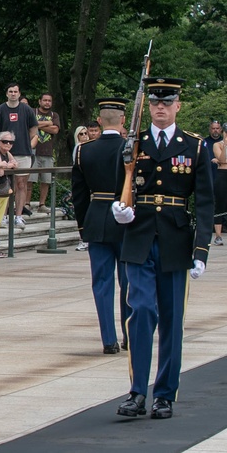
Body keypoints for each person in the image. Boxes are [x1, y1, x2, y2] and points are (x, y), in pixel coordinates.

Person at [113, 77, 213, 420]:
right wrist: (120, 211)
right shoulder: (134, 144)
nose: (160, 107)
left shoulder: (195, 146)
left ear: (177, 106)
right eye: (155, 101)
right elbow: (121, 189)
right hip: (139, 238)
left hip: (174, 240)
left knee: (172, 320)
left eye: (167, 102)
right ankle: (138, 390)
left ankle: (164, 394)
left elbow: (204, 203)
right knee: (141, 311)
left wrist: (201, 251)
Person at [71, 97, 131, 355]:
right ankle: (129, 333)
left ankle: (108, 339)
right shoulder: (132, 149)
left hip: (96, 220)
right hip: (126, 220)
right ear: (123, 120)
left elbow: (79, 195)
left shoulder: (84, 151)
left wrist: (83, 227)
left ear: (98, 120)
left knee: (102, 283)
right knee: (129, 282)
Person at [0, 83, 38, 226]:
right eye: (10, 91)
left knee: (21, 184)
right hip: (4, 153)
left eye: (15, 91)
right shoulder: (0, 110)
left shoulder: (27, 109)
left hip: (23, 152)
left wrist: (26, 142)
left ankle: (18, 215)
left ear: (19, 93)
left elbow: (34, 128)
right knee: (5, 184)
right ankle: (4, 215)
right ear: (7, 93)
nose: (13, 94)